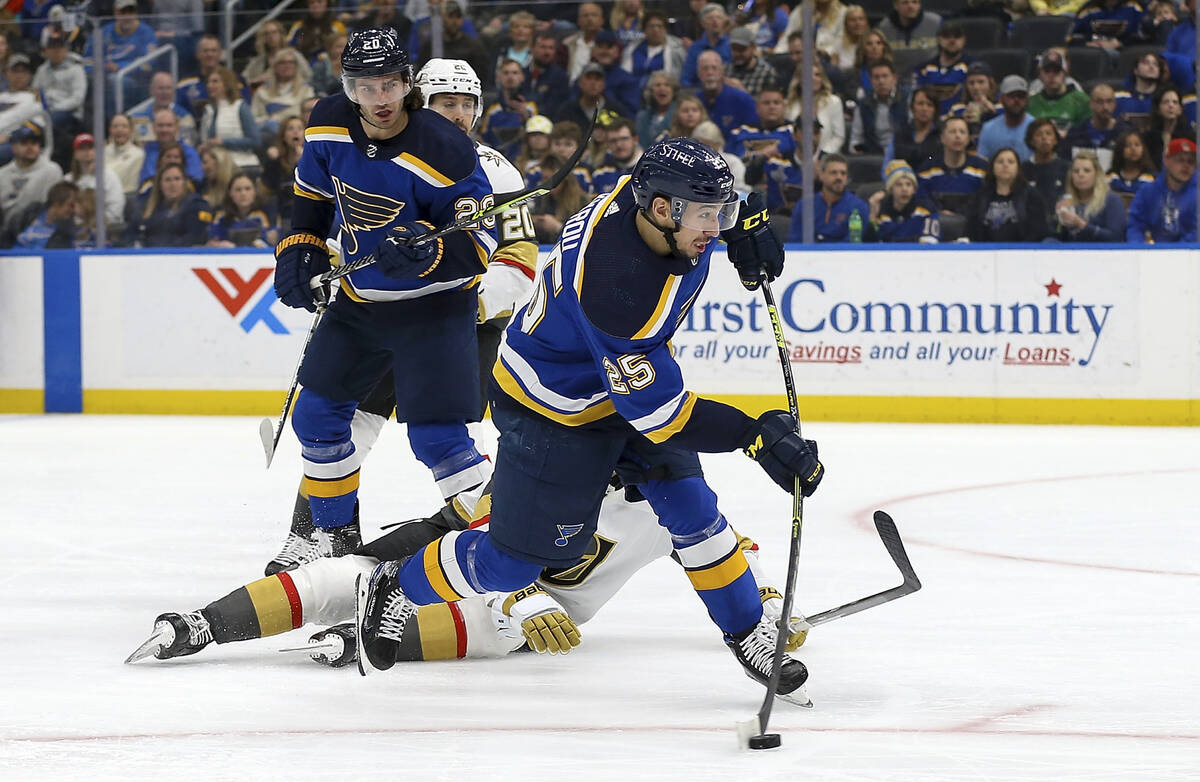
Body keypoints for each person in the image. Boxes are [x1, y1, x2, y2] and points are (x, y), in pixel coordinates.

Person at [353, 139, 821, 702]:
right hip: (553, 407)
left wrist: (744, 222)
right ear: (663, 210)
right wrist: (754, 436)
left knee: (691, 507)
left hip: (620, 378)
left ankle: (748, 633)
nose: (714, 228)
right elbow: (663, 416)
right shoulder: (619, 291)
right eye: (707, 216)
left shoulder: (641, 198)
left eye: (719, 213)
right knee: (511, 565)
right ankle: (397, 585)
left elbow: (692, 201)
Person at [264, 58, 537, 574]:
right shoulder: (374, 146)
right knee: (338, 422)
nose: (458, 114)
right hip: (376, 314)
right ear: (420, 102)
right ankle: (316, 534)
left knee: (449, 438)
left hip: (459, 323)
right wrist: (324, 262)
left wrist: (466, 302)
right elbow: (347, 222)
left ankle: (482, 547)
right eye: (446, 103)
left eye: (467, 104)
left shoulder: (497, 171)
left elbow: (520, 260)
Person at [127, 478, 810, 670]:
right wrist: (520, 597)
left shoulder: (676, 499)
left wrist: (764, 614)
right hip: (457, 561)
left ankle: (359, 639)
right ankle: (201, 625)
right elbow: (486, 536)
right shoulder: (553, 457)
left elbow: (730, 557)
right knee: (339, 579)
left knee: (516, 629)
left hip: (538, 607)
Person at [729, 87, 798, 214]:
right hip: (744, 191)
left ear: (784, 106)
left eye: (776, 103)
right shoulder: (741, 132)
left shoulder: (795, 132)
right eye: (767, 103)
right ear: (757, 107)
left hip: (783, 197)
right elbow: (730, 160)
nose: (772, 107)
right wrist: (764, 154)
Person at [83, 0, 157, 113]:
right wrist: (103, 67)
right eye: (123, 12)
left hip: (134, 79)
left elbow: (148, 63)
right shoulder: (105, 31)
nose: (127, 16)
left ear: (136, 12)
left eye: (131, 11)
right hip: (104, 76)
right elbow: (88, 60)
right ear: (115, 12)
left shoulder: (146, 32)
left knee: (115, 81)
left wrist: (120, 67)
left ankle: (114, 118)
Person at [965, 147, 1050, 242]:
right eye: (1000, 162)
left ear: (1018, 168)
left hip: (1022, 248)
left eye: (1011, 162)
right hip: (986, 248)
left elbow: (1039, 230)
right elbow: (971, 227)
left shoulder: (1031, 195)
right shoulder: (981, 195)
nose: (1005, 165)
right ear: (992, 167)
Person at [1126, 137, 1197, 242]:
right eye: (1180, 160)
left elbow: (1196, 233)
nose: (1186, 166)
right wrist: (1138, 247)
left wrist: (1177, 250)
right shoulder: (1148, 191)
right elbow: (1134, 225)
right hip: (1155, 250)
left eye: (1191, 162)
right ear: (1166, 160)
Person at [789, 153, 873, 242]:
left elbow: (852, 243)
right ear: (821, 175)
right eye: (833, 173)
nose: (839, 177)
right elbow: (795, 241)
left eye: (843, 173)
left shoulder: (858, 207)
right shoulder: (804, 206)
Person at [917, 115, 989, 215]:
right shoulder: (928, 169)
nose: (957, 136)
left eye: (962, 132)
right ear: (942, 138)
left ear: (969, 139)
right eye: (952, 132)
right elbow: (921, 198)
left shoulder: (982, 168)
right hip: (935, 221)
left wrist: (959, 214)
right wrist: (938, 212)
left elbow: (985, 199)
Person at [1053, 151, 1127, 241]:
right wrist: (1059, 219)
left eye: (1087, 171)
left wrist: (1081, 224)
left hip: (1100, 249)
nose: (1081, 175)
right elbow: (1058, 236)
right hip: (1072, 249)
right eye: (1076, 171)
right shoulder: (1067, 199)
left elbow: (1116, 237)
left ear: (1097, 175)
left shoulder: (1111, 200)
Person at [134, 163, 213, 246]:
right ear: (160, 184)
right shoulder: (146, 207)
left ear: (184, 182)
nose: (173, 184)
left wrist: (161, 246)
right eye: (167, 180)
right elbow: (131, 234)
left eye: (177, 179)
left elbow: (196, 238)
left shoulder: (197, 205)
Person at [0, 123, 63, 226]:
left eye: (34, 143)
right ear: (13, 148)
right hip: (6, 229)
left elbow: (54, 207)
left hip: (39, 228)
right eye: (24, 143)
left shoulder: (52, 170)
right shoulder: (2, 174)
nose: (30, 147)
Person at [200, 67, 262, 171]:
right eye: (208, 82)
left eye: (215, 81)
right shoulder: (208, 110)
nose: (209, 85)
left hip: (242, 164)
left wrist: (223, 142)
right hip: (218, 166)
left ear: (227, 84)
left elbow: (255, 141)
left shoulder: (240, 107)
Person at [32, 33, 85, 144]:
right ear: (46, 51)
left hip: (68, 112)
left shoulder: (76, 69)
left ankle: (43, 147)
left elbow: (77, 99)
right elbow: (35, 92)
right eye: (52, 48)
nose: (56, 51)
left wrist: (55, 108)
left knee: (49, 122)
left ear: (66, 49)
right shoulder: (42, 70)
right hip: (43, 110)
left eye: (59, 47)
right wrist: (40, 107)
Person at [480, 58, 539, 161]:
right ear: (498, 77)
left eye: (515, 73)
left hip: (524, 160)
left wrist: (527, 118)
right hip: (496, 160)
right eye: (506, 73)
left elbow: (539, 137)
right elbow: (482, 138)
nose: (510, 77)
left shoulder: (532, 106)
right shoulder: (491, 108)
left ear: (522, 77)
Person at [869, 159, 939, 243]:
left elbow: (930, 241)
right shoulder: (881, 209)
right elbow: (870, 243)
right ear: (890, 189)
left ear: (914, 189)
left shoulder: (926, 209)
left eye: (908, 184)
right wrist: (873, 216)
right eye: (899, 185)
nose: (904, 189)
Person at [253, 48, 317, 140]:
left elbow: (309, 116)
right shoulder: (262, 91)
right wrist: (269, 121)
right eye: (282, 63)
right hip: (271, 134)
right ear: (275, 66)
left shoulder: (306, 90)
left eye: (291, 62)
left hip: (299, 132)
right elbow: (255, 119)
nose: (287, 66)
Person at [785, 60, 844, 156]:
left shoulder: (834, 102)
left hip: (826, 156)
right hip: (795, 156)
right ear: (799, 80)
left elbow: (838, 137)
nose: (813, 78)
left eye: (817, 75)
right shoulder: (789, 104)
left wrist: (821, 156)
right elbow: (787, 134)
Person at [1064, 83, 1129, 170]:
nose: (1105, 107)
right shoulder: (1076, 132)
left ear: (1115, 104)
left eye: (1109, 101)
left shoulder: (1125, 133)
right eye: (1100, 102)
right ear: (1091, 104)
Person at [912, 19, 969, 117]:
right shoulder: (923, 69)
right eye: (947, 36)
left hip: (960, 119)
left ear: (964, 39)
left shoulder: (973, 68)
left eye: (957, 36)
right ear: (938, 39)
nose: (952, 40)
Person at [696, 50, 758, 138]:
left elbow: (755, 131)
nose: (710, 73)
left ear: (722, 72)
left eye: (714, 68)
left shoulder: (742, 100)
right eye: (705, 69)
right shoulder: (695, 101)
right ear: (698, 73)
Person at [1022, 118, 1071, 228]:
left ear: (1055, 140)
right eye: (1039, 134)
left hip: (1061, 226)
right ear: (1031, 141)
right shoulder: (1023, 170)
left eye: (1048, 134)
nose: (1044, 138)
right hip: (1029, 226)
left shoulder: (1067, 168)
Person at [208, 172, 279, 247]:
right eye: (238, 190)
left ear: (255, 191)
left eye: (248, 189)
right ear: (230, 193)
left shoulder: (266, 212)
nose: (243, 193)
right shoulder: (221, 216)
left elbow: (270, 238)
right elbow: (211, 241)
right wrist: (219, 244)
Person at [128, 71, 199, 147]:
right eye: (160, 88)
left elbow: (187, 147)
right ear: (151, 90)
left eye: (168, 88)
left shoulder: (185, 118)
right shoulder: (136, 118)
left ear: (174, 91)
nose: (164, 92)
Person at [67, 133, 124, 227]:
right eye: (82, 148)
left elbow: (115, 210)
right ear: (75, 153)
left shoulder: (110, 177)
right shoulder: (67, 179)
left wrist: (93, 223)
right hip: (74, 228)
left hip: (105, 228)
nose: (87, 151)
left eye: (90, 147)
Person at [850, 59, 906, 154]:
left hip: (902, 153)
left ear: (894, 79)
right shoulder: (863, 104)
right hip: (873, 155)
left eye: (885, 76)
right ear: (871, 80)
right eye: (876, 77)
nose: (881, 81)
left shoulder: (906, 100)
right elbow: (856, 139)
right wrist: (856, 150)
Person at [1027, 50, 1091, 131]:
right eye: (1047, 71)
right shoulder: (1030, 103)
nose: (1051, 75)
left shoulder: (1082, 101)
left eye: (1056, 70)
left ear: (1065, 73)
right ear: (1039, 75)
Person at [260, 115, 305, 226]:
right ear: (283, 136)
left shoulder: (314, 160)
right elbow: (268, 193)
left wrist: (303, 162)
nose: (295, 132)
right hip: (284, 216)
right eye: (290, 128)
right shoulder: (275, 163)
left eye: (300, 128)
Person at [978, 75, 1035, 161]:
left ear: (1027, 98)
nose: (1016, 100)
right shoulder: (988, 129)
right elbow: (982, 162)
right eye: (1011, 96)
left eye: (1021, 96)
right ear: (1001, 98)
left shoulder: (1035, 128)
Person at [140, 109, 204, 184]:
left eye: (169, 125)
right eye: (160, 125)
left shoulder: (189, 152)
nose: (164, 130)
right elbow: (146, 181)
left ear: (177, 127)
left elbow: (196, 180)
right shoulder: (147, 151)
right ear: (153, 127)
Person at [887, 86, 940, 170]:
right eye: (920, 104)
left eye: (929, 105)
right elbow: (887, 166)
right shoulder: (899, 134)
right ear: (912, 107)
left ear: (935, 110)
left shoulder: (942, 136)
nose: (924, 109)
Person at [590, 30, 642, 115]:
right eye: (600, 47)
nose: (604, 51)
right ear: (593, 51)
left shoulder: (629, 81)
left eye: (609, 47)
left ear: (617, 51)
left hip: (614, 121)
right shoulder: (583, 78)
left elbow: (631, 114)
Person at [624, 11, 685, 83]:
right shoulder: (633, 48)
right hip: (633, 87)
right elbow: (624, 73)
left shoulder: (677, 50)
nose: (655, 30)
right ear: (644, 30)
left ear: (665, 30)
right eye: (651, 26)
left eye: (659, 26)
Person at [877, 0, 941, 68]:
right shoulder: (884, 28)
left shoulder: (935, 23)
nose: (910, 6)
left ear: (920, 4)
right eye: (905, 2)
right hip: (896, 74)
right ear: (896, 5)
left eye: (915, 2)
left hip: (930, 73)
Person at [14, 180, 77, 249]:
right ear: (57, 202)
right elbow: (8, 235)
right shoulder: (32, 211)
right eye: (71, 205)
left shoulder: (67, 229)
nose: (74, 210)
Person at [682, 4, 732, 88]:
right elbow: (686, 79)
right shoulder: (695, 48)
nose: (715, 21)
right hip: (700, 91)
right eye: (710, 18)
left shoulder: (731, 45)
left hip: (727, 90)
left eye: (718, 17)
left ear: (724, 21)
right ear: (702, 23)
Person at [1145, 85, 1193, 168]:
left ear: (1180, 109)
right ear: (1158, 109)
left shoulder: (1189, 137)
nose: (1171, 105)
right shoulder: (1149, 137)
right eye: (1166, 102)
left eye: (1175, 102)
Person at [1114, 51, 1169, 124]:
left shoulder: (1166, 100)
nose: (1151, 67)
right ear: (1136, 70)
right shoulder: (1118, 98)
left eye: (1155, 64)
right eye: (1146, 63)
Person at [524, 34, 570, 114]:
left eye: (551, 48)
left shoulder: (560, 77)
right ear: (532, 48)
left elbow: (556, 107)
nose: (547, 52)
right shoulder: (522, 73)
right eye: (543, 47)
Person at [1107, 128, 1157, 201]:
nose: (1133, 149)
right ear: (1120, 150)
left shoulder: (1151, 177)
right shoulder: (1111, 177)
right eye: (1127, 146)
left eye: (1137, 145)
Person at [726, 26, 778, 97]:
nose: (737, 54)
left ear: (753, 48)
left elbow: (769, 102)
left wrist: (742, 92)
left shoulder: (766, 73)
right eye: (734, 49)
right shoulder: (726, 69)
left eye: (742, 49)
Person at [636, 71, 679, 148]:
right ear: (651, 91)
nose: (662, 88)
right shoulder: (642, 116)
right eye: (657, 85)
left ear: (673, 90)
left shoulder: (680, 112)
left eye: (667, 85)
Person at [104, 113, 145, 193]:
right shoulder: (102, 152)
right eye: (115, 126)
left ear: (130, 130)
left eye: (124, 126)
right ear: (110, 130)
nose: (119, 130)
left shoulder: (139, 154)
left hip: (127, 196)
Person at [565, 3, 605, 82]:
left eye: (594, 15)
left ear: (602, 20)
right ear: (578, 21)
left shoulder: (611, 44)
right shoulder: (568, 44)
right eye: (585, 15)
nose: (590, 19)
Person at [826, 3, 868, 71]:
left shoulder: (873, 42)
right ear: (846, 24)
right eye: (853, 20)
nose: (857, 23)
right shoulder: (838, 44)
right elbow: (833, 71)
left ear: (866, 22)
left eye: (861, 19)